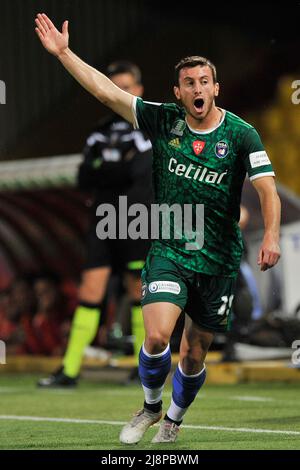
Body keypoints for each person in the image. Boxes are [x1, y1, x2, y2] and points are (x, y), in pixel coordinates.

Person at [35, 14, 281, 443]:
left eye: (205, 81)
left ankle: (174, 419)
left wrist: (273, 234)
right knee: (156, 336)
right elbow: (105, 90)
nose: (198, 89)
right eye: (189, 83)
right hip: (170, 246)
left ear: (216, 87)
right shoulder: (162, 120)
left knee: (193, 354)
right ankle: (149, 407)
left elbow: (267, 190)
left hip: (218, 255)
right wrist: (63, 54)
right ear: (178, 92)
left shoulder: (242, 135)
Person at [37, 60, 152, 387]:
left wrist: (107, 168)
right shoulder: (99, 131)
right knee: (90, 291)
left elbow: (138, 172)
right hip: (103, 218)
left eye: (126, 87)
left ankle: (145, 367)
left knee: (138, 292)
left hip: (136, 218)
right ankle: (70, 369)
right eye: (114, 86)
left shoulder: (148, 127)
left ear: (139, 90)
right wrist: (117, 168)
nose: (120, 92)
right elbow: (83, 176)